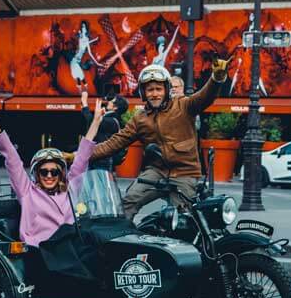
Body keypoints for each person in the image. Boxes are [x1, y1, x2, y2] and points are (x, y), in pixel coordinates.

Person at [88, 58, 230, 220]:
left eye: (158, 89)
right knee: (127, 203)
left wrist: (216, 79)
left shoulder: (183, 105)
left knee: (183, 219)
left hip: (185, 172)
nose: (154, 94)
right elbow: (114, 143)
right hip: (156, 171)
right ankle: (122, 239)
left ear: (166, 90)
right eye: (150, 90)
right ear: (143, 93)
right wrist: (80, 156)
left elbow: (205, 97)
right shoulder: (140, 119)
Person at [0, 97, 105, 247]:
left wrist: (95, 122)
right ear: (37, 174)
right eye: (44, 172)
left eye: (54, 172)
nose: (49, 176)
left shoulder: (70, 189)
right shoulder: (27, 192)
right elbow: (12, 157)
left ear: (61, 174)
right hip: (39, 252)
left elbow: (82, 158)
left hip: (70, 249)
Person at [80, 89, 127, 170]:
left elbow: (91, 122)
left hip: (102, 160)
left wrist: (84, 102)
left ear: (115, 107)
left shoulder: (112, 121)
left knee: (100, 181)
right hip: (99, 158)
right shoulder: (110, 119)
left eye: (111, 101)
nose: (108, 101)